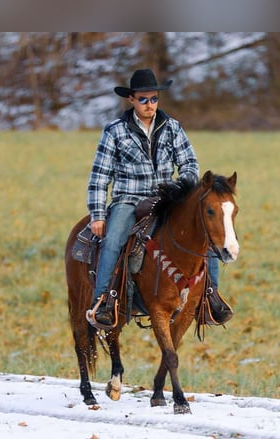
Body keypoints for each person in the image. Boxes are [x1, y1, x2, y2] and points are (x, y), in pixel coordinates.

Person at [85, 68, 233, 330]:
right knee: (113, 240)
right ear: (131, 99)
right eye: (143, 100)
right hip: (128, 199)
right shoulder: (114, 131)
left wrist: (179, 189)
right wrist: (97, 215)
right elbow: (100, 176)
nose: (149, 105)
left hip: (166, 198)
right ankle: (104, 302)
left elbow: (189, 164)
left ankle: (210, 299)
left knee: (205, 237)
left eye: (154, 99)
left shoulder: (172, 127)